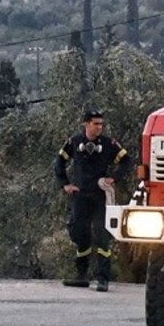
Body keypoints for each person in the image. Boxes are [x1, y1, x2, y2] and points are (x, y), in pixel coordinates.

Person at [53, 110, 132, 292]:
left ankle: (102, 278)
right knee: (81, 234)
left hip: (100, 197)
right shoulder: (74, 142)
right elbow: (59, 162)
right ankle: (81, 276)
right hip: (80, 196)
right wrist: (65, 184)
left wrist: (114, 178)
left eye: (101, 124)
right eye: (96, 124)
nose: (99, 127)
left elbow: (126, 161)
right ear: (86, 124)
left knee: (101, 236)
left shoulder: (108, 143)